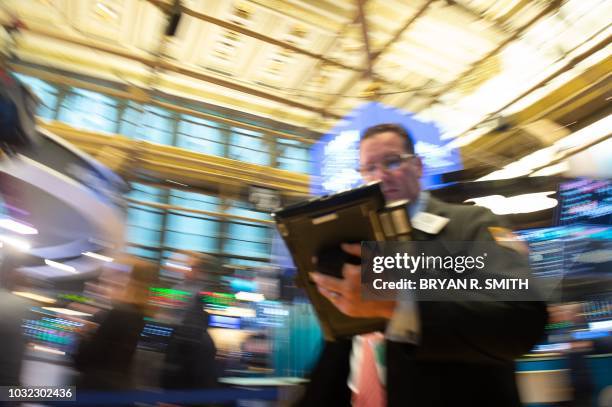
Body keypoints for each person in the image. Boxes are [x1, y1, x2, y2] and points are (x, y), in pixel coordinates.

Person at [308, 123, 548, 406]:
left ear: (419, 166)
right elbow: (341, 354)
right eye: (369, 168)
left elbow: (522, 319)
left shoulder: (471, 225)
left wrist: (401, 303)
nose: (380, 175)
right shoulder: (358, 246)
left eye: (392, 161)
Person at [73, 258, 158, 390]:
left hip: (97, 389)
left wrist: (83, 335)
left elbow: (85, 360)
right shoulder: (139, 314)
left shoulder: (118, 314)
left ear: (129, 280)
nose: (106, 280)